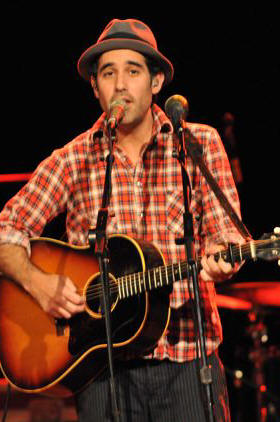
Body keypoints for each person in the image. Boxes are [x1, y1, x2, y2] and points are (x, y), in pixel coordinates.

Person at [0, 18, 245, 421]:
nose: (120, 85)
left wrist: (222, 255)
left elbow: (225, 235)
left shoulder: (198, 144)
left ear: (156, 82)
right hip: (101, 370)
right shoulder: (72, 159)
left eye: (133, 71)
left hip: (185, 361)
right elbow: (8, 233)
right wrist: (39, 284)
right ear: (95, 87)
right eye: (108, 74)